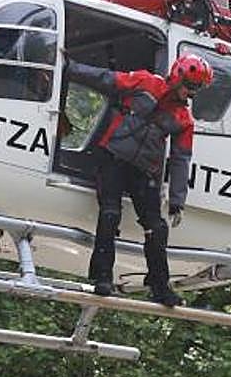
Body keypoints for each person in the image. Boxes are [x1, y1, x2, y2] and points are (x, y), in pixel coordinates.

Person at [65, 52, 213, 306]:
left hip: (144, 172)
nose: (191, 94)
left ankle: (159, 285)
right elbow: (105, 79)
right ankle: (102, 277)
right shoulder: (146, 83)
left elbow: (181, 160)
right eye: (190, 87)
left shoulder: (183, 120)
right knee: (110, 213)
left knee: (157, 228)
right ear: (177, 78)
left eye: (196, 90)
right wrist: (69, 67)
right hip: (113, 157)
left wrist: (177, 200)